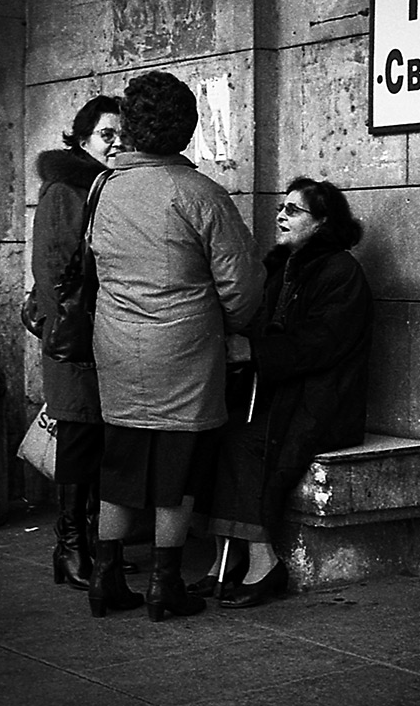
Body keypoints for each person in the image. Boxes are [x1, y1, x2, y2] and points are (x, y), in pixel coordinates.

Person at [87, 70, 265, 621]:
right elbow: (242, 285)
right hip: (185, 350)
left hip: (117, 345)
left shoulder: (104, 189)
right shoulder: (201, 194)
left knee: (121, 462)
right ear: (186, 129)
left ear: (130, 128)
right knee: (177, 468)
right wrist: (231, 325)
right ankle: (165, 585)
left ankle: (105, 576)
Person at [192, 176, 374, 608]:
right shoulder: (281, 267)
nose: (281, 216)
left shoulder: (341, 272)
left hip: (322, 402)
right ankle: (225, 560)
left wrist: (253, 351)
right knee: (213, 432)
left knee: (245, 443)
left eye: (293, 210)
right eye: (281, 207)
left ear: (323, 221)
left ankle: (263, 561)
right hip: (281, 393)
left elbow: (321, 343)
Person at [31, 94, 137, 589]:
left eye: (123, 135)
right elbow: (52, 269)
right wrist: (67, 331)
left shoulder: (107, 185)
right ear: (81, 139)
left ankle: (93, 542)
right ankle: (70, 545)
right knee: (77, 438)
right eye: (106, 134)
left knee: (99, 440)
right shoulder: (66, 189)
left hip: (105, 332)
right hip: (74, 337)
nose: (116, 143)